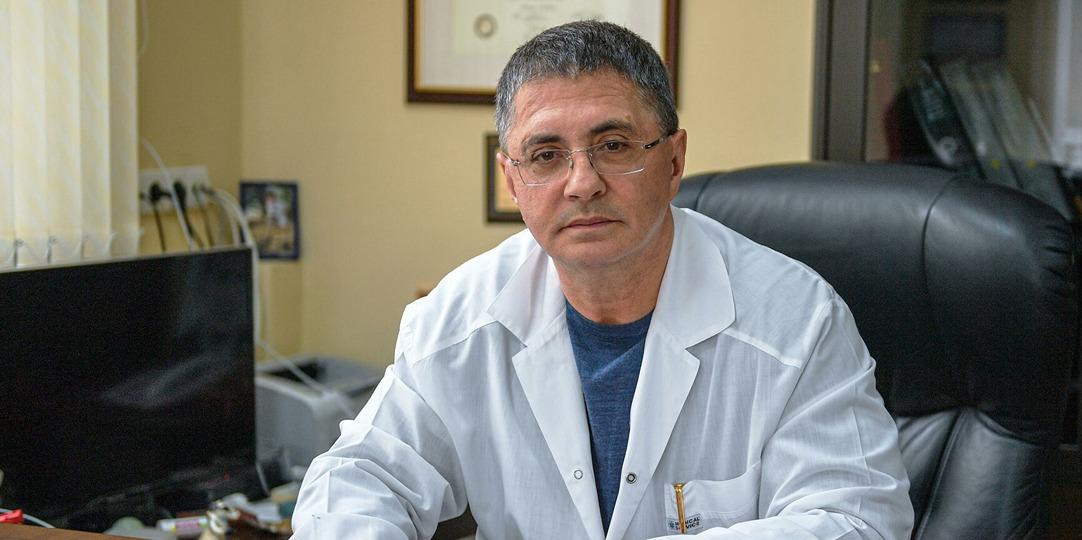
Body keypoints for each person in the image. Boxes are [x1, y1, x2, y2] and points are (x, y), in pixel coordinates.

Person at [292, 20, 913, 540]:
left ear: (674, 160)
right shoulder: (457, 320)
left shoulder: (798, 320)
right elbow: (357, 479)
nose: (582, 183)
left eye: (613, 145)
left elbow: (858, 520)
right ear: (513, 182)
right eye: (545, 156)